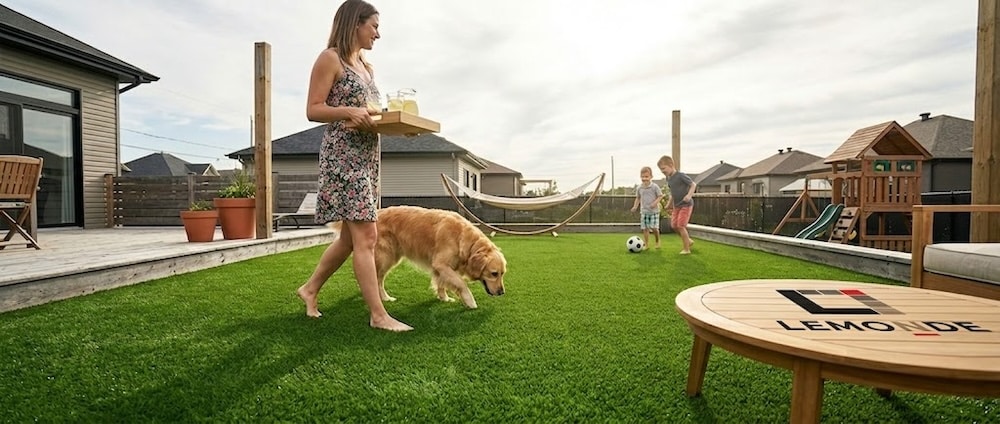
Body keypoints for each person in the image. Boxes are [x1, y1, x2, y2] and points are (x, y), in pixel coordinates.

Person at [296, 0, 412, 332]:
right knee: (368, 236)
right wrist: (348, 112)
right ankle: (378, 316)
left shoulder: (366, 66)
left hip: (367, 155)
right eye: (374, 25)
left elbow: (370, 113)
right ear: (355, 24)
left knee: (349, 239)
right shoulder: (329, 58)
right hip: (343, 156)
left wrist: (396, 126)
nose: (378, 33)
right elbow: (314, 109)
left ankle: (310, 289)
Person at [658, 155, 697, 254]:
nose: (662, 171)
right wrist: (668, 204)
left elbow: (693, 184)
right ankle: (688, 241)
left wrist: (689, 195)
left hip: (686, 205)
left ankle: (686, 249)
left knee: (680, 226)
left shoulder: (680, 176)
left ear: (671, 165)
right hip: (677, 205)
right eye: (660, 169)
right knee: (674, 225)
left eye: (663, 168)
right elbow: (672, 193)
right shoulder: (668, 179)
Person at [630, 166, 664, 250]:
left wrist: (655, 203)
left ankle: (657, 241)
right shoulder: (639, 188)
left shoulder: (655, 187)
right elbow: (638, 198)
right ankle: (646, 244)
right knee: (645, 229)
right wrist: (635, 206)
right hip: (644, 212)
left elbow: (660, 196)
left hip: (654, 212)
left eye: (646, 177)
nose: (644, 179)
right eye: (642, 177)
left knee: (654, 228)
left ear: (651, 177)